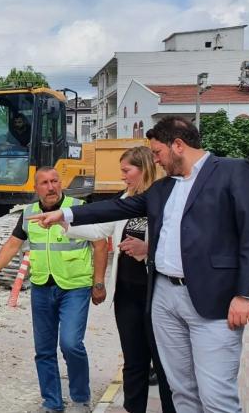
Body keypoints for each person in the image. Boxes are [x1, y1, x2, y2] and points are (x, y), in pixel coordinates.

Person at [30, 116, 249, 412]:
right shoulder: (164, 187)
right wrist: (65, 215)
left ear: (178, 145)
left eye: (157, 153)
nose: (156, 160)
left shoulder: (232, 171)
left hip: (212, 299)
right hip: (164, 297)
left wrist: (246, 294)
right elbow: (118, 207)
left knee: (216, 395)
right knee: (182, 390)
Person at [0, 167, 108, 413]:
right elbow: (12, 244)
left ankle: (80, 399)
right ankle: (52, 403)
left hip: (75, 286)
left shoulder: (78, 208)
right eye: (45, 183)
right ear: (35, 188)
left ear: (61, 183)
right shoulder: (29, 213)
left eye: (54, 181)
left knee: (71, 344)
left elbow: (100, 245)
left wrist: (99, 282)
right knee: (44, 350)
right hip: (42, 287)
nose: (51, 187)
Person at [64, 146, 175, 413]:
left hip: (157, 294)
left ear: (145, 168)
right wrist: (62, 222)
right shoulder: (126, 197)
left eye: (127, 170)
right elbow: (100, 228)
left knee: (164, 365)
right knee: (134, 362)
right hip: (127, 294)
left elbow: (180, 244)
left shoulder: (165, 198)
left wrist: (147, 250)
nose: (122, 176)